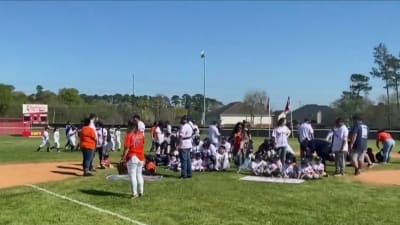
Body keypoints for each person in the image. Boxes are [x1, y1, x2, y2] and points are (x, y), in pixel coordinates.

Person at [121, 119, 145, 198]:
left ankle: (134, 193)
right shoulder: (141, 134)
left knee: (132, 176)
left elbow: (126, 148)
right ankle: (141, 191)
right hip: (140, 156)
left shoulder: (129, 135)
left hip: (132, 156)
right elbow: (142, 145)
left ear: (131, 126)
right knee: (139, 174)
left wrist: (123, 158)